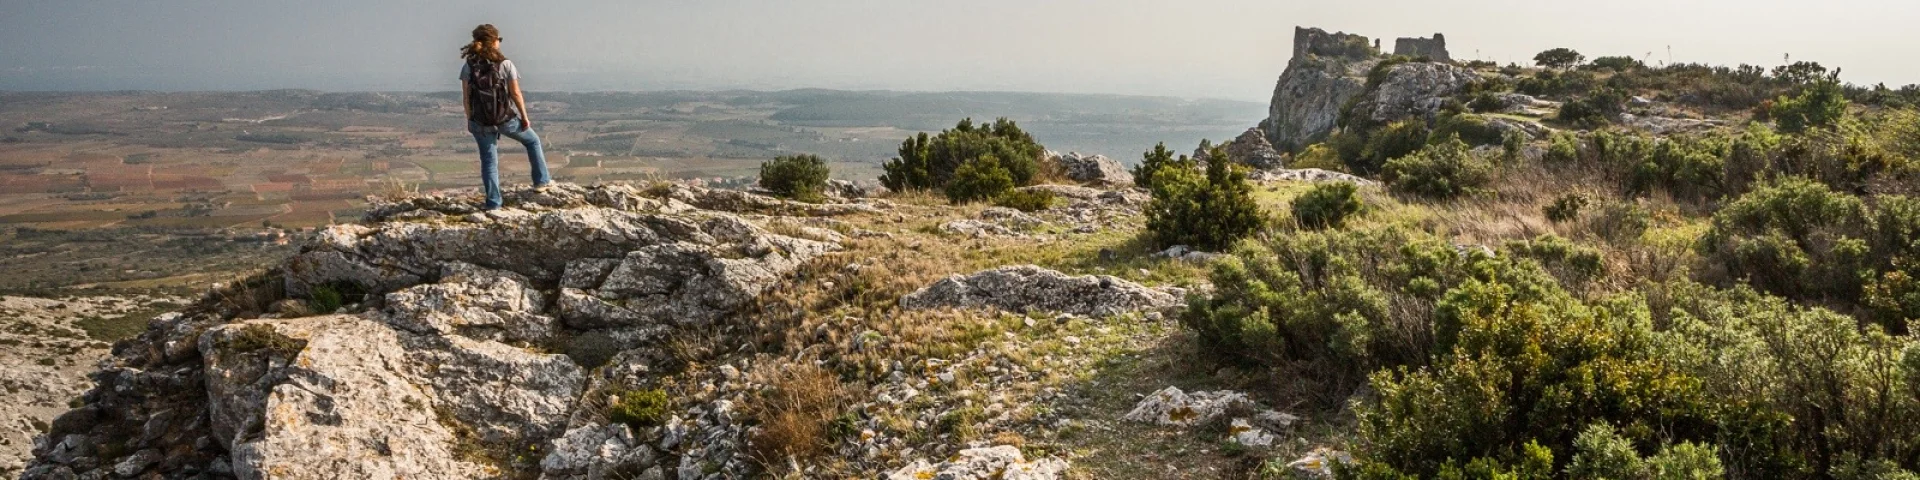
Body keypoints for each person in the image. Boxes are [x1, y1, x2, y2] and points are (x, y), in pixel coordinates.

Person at [460, 24, 550, 210]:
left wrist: (470, 119)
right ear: (493, 41)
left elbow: (466, 97)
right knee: (533, 141)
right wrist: (524, 117)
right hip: (505, 119)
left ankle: (494, 204)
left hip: (480, 122)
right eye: (498, 39)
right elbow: (515, 94)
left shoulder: (469, 65)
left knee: (489, 161)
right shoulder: (505, 64)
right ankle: (541, 182)